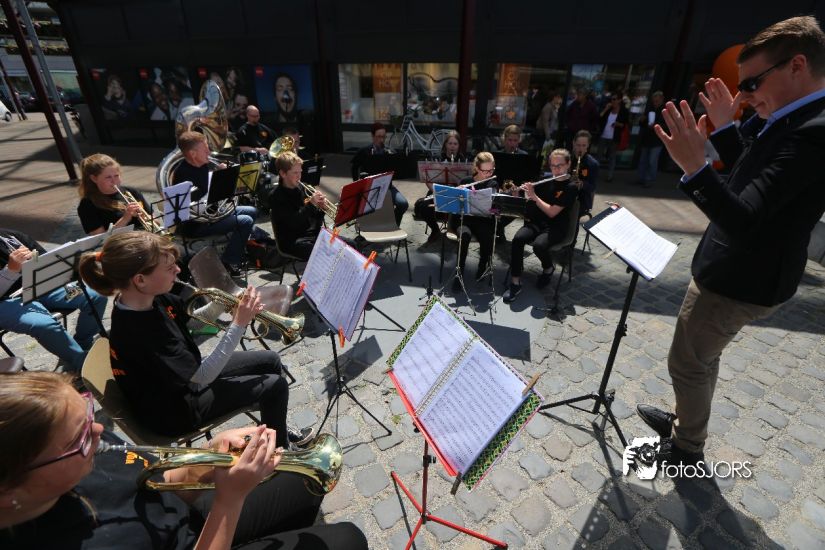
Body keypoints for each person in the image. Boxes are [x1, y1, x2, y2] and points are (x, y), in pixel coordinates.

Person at [636, 16, 825, 467]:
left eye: (753, 83)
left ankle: (686, 446)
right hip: (738, 270)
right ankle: (686, 422)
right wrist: (723, 129)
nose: (746, 96)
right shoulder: (794, 116)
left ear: (797, 65)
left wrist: (695, 168)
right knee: (700, 358)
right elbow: (754, 179)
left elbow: (744, 219)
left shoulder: (813, 131)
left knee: (688, 363)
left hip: (741, 280)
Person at [0, 371, 368, 549]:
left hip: (190, 522)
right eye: (78, 439)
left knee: (301, 484)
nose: (98, 431)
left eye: (87, 412)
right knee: (347, 539)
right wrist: (230, 499)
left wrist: (208, 459)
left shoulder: (88, 452)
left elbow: (158, 483)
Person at [77, 231, 311, 446]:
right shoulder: (139, 333)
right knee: (275, 386)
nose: (178, 270)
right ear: (140, 280)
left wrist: (222, 304)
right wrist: (239, 323)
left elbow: (192, 321)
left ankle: (276, 428)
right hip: (176, 411)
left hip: (181, 383)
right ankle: (280, 450)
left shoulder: (150, 297)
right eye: (169, 267)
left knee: (271, 360)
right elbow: (202, 375)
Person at [0, 228, 106, 373]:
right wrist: (10, 272)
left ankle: (81, 347)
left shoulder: (9, 235)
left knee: (95, 296)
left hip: (40, 286)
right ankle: (84, 365)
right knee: (44, 324)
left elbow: (49, 260)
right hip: (5, 301)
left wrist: (40, 262)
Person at [172, 131, 258, 275]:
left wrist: (222, 175)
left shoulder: (202, 165)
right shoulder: (183, 174)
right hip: (196, 224)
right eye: (205, 150)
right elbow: (191, 208)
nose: (209, 152)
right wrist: (217, 182)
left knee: (252, 211)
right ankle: (230, 261)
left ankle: (237, 248)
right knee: (245, 220)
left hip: (212, 214)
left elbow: (211, 192)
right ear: (193, 154)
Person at [502, 148, 580, 303]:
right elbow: (529, 202)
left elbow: (552, 212)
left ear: (568, 164)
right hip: (537, 222)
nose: (556, 170)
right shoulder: (545, 180)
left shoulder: (571, 187)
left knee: (539, 245)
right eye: (553, 166)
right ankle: (515, 282)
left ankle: (548, 268)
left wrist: (534, 196)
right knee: (518, 239)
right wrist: (519, 194)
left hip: (556, 227)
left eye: (560, 166)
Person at [270, 152, 355, 260]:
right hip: (293, 241)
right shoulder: (276, 197)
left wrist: (321, 207)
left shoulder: (303, 188)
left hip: (312, 235)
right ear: (283, 173)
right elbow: (293, 222)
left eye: (300, 172)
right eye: (295, 173)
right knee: (325, 253)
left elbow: (314, 219)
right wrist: (311, 204)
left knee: (351, 245)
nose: (299, 176)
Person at [449, 152, 497, 291]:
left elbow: (495, 208)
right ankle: (459, 273)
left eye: (491, 170)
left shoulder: (493, 183)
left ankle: (482, 267)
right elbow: (454, 207)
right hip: (464, 220)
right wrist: (457, 194)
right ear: (476, 168)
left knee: (487, 236)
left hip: (482, 220)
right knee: (464, 236)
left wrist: (494, 206)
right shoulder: (466, 181)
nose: (488, 174)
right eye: (485, 171)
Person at [77, 153, 154, 235]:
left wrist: (145, 217)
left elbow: (156, 222)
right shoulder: (87, 204)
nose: (114, 181)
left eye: (116, 176)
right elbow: (100, 239)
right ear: (94, 179)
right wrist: (125, 218)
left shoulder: (131, 192)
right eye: (108, 177)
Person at [414, 131, 469, 242]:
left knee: (465, 206)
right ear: (445, 145)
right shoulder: (437, 159)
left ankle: (454, 229)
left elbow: (468, 181)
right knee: (423, 206)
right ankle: (435, 230)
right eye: (450, 143)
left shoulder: (464, 161)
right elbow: (428, 179)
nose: (452, 146)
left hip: (456, 194)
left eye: (455, 144)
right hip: (438, 191)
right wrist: (436, 191)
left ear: (459, 146)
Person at [350, 123, 409, 226]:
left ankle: (394, 225)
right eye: (379, 137)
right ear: (373, 136)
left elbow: (396, 171)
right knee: (369, 207)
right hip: (369, 188)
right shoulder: (364, 151)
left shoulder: (389, 152)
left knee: (403, 204)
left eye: (383, 137)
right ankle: (367, 226)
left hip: (387, 187)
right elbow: (354, 167)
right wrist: (357, 184)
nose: (381, 140)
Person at [636, 90, 666, 187]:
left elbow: (666, 126)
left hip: (657, 140)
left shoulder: (665, 111)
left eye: (657, 101)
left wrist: (655, 126)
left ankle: (649, 179)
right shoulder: (650, 109)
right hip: (647, 138)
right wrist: (642, 120)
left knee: (652, 161)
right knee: (643, 160)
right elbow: (643, 124)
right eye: (654, 101)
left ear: (661, 99)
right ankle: (641, 178)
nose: (655, 103)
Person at [597, 93, 629, 182]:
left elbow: (625, 124)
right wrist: (606, 109)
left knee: (612, 157)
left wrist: (618, 124)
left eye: (615, 99)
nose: (612, 101)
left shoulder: (623, 111)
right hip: (604, 135)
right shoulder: (608, 109)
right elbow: (599, 118)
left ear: (619, 100)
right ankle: (595, 173)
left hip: (614, 137)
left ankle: (610, 175)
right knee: (599, 156)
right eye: (611, 99)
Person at [571, 130, 600, 217]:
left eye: (584, 145)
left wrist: (582, 184)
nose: (580, 149)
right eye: (578, 145)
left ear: (588, 146)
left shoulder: (593, 164)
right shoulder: (567, 159)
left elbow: (592, 187)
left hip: (582, 199)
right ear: (573, 143)